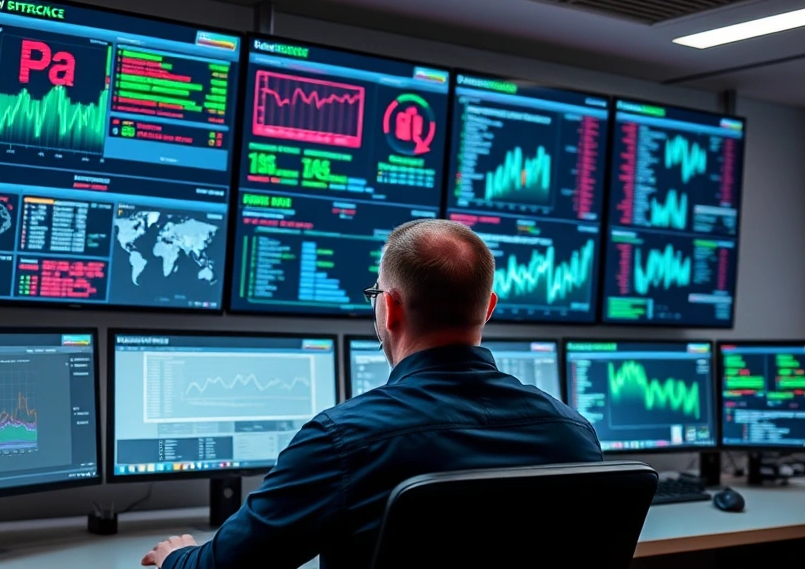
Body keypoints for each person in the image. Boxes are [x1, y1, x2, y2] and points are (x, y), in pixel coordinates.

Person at [143, 219, 603, 569]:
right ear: (488, 308)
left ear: (389, 307)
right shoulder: (574, 436)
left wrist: (175, 557)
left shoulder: (342, 441)